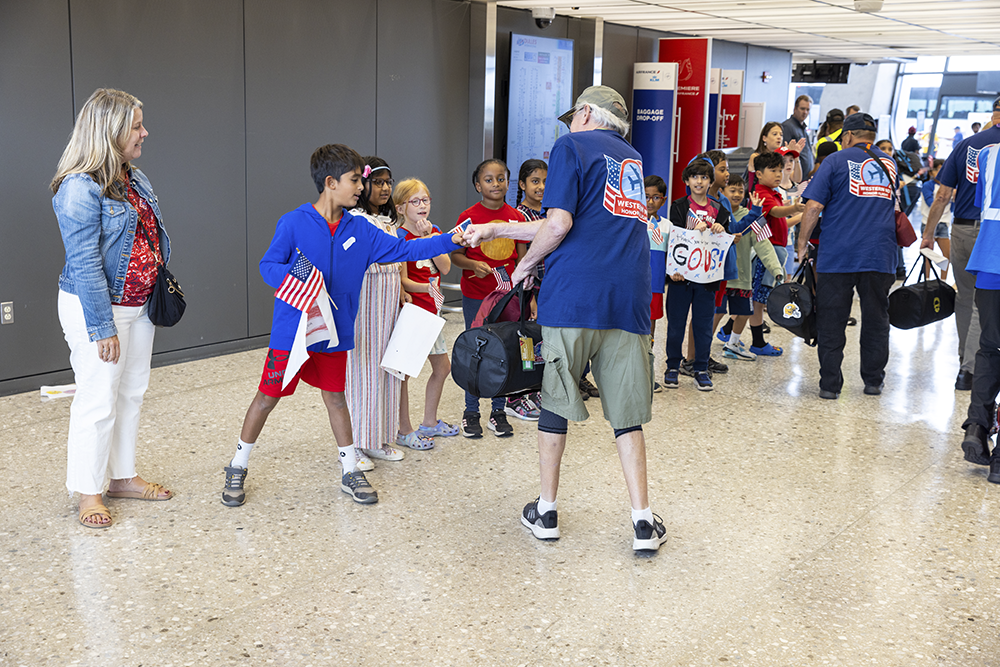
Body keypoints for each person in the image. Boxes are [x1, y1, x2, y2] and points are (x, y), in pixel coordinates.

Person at [463, 85, 668, 553]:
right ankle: (641, 521)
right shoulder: (631, 160)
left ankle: (547, 511)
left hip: (573, 299)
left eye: (573, 115)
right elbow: (570, 221)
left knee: (555, 401)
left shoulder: (571, 145)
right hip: (627, 305)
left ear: (588, 114)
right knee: (626, 416)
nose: (568, 124)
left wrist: (523, 266)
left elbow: (558, 224)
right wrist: (498, 228)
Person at [221, 144, 462, 507]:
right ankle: (238, 464)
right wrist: (297, 275)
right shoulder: (293, 222)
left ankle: (350, 470)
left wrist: (451, 238)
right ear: (330, 182)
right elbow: (267, 266)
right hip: (293, 333)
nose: (361, 189)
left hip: (334, 333)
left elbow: (405, 251)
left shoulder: (360, 230)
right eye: (354, 181)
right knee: (267, 398)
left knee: (336, 398)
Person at [51, 88, 174, 528]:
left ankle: (122, 476)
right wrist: (102, 327)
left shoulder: (134, 177)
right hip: (97, 309)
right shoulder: (78, 188)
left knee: (131, 393)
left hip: (138, 306)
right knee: (98, 399)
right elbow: (84, 263)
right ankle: (88, 492)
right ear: (110, 131)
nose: (145, 132)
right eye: (136, 126)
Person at [797, 113, 897, 399]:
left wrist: (803, 242)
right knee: (877, 318)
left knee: (832, 319)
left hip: (838, 254)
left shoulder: (835, 161)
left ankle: (830, 384)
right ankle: (873, 381)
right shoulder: (888, 163)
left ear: (849, 136)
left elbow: (814, 205)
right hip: (879, 254)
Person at [921, 97, 1000, 391]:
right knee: (986, 301)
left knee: (966, 298)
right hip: (994, 234)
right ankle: (976, 368)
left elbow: (942, 196)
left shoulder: (967, 144)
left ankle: (965, 366)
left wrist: (929, 234)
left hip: (963, 231)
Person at [450, 159, 526, 439]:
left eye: (501, 178)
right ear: (477, 185)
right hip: (475, 296)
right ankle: (471, 412)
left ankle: (498, 411)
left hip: (507, 298)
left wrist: (521, 286)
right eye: (489, 179)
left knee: (505, 350)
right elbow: (455, 255)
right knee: (474, 350)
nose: (496, 184)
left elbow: (522, 256)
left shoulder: (516, 217)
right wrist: (472, 266)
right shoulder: (467, 217)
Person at [343, 157, 411, 471]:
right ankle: (354, 443)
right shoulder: (353, 219)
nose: (385, 188)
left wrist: (401, 291)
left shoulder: (389, 221)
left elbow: (399, 261)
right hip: (365, 299)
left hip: (388, 300)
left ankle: (379, 438)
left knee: (387, 367)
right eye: (378, 182)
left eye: (388, 182)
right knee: (362, 370)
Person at [394, 179, 462, 442]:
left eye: (426, 200)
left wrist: (429, 238)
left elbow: (444, 267)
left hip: (432, 311)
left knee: (442, 367)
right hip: (413, 311)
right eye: (415, 201)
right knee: (405, 373)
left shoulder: (433, 231)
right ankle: (403, 429)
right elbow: (403, 280)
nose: (422, 206)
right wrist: (427, 289)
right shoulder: (399, 236)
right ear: (401, 208)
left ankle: (429, 422)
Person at [663, 160, 731, 391]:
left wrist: (722, 229)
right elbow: (674, 238)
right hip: (681, 278)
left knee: (703, 325)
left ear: (711, 182)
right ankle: (673, 365)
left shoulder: (719, 210)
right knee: (676, 324)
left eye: (704, 177)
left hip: (707, 279)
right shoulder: (679, 206)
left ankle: (701, 368)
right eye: (694, 177)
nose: (699, 181)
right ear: (686, 181)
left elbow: (725, 243)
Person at [960, 139, 1000, 479]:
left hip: (989, 262)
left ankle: (976, 426)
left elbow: (983, 204)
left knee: (989, 348)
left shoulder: (989, 155)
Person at [715, 176, 783, 361]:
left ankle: (733, 345)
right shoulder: (715, 212)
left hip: (742, 277)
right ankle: (702, 347)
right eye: (732, 190)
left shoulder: (753, 216)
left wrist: (776, 269)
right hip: (719, 277)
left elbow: (764, 245)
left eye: (740, 191)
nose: (737, 194)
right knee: (716, 312)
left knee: (745, 312)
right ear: (722, 192)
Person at [750, 151, 804, 356]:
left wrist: (799, 214)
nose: (778, 174)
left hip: (776, 253)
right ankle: (756, 342)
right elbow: (776, 213)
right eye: (773, 170)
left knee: (758, 298)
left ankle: (730, 333)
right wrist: (793, 207)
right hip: (767, 255)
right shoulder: (762, 193)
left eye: (780, 170)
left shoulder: (773, 193)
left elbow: (782, 221)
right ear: (759, 174)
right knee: (758, 299)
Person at [645, 174, 668, 392]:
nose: (650, 202)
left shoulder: (668, 226)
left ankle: (647, 374)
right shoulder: (631, 223)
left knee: (650, 332)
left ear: (664, 199)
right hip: (632, 286)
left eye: (656, 197)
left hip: (655, 288)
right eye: (646, 197)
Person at [919, 159, 951, 280]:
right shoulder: (928, 186)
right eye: (938, 169)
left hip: (943, 224)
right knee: (927, 255)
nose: (941, 173)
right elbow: (930, 202)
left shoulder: (950, 187)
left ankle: (943, 281)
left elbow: (952, 207)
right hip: (927, 223)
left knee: (947, 255)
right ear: (932, 172)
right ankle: (926, 280)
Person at [782, 95, 815, 176]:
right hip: (794, 178)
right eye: (802, 109)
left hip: (805, 177)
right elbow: (784, 153)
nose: (805, 112)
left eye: (808, 109)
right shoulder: (787, 126)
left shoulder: (802, 127)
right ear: (795, 109)